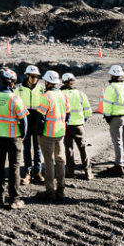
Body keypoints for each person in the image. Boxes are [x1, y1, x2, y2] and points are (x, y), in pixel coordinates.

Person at [0, 67, 28, 209]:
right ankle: (14, 199)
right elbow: (24, 120)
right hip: (13, 137)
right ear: (11, 83)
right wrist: (23, 135)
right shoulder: (15, 98)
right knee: (14, 168)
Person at [35, 71, 71, 201]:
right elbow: (68, 113)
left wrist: (38, 132)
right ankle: (61, 190)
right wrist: (64, 125)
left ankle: (50, 191)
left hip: (47, 134)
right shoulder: (63, 95)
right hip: (60, 133)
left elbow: (40, 117)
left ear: (47, 82)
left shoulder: (46, 96)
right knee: (60, 160)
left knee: (49, 161)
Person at [100, 64, 124, 177]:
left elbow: (107, 104)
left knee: (118, 142)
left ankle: (119, 166)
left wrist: (108, 116)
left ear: (112, 75)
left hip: (116, 118)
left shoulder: (111, 88)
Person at [61, 72, 93, 180]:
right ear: (73, 82)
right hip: (79, 126)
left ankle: (70, 172)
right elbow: (88, 111)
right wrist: (83, 119)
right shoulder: (80, 94)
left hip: (65, 126)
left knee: (68, 149)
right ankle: (88, 172)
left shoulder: (60, 94)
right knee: (83, 148)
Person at [18, 65, 44, 185]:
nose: (35, 79)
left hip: (37, 120)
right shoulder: (19, 89)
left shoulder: (41, 89)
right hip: (25, 120)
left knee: (37, 148)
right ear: (27, 76)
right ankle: (27, 172)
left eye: (37, 77)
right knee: (27, 147)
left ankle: (38, 172)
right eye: (33, 76)